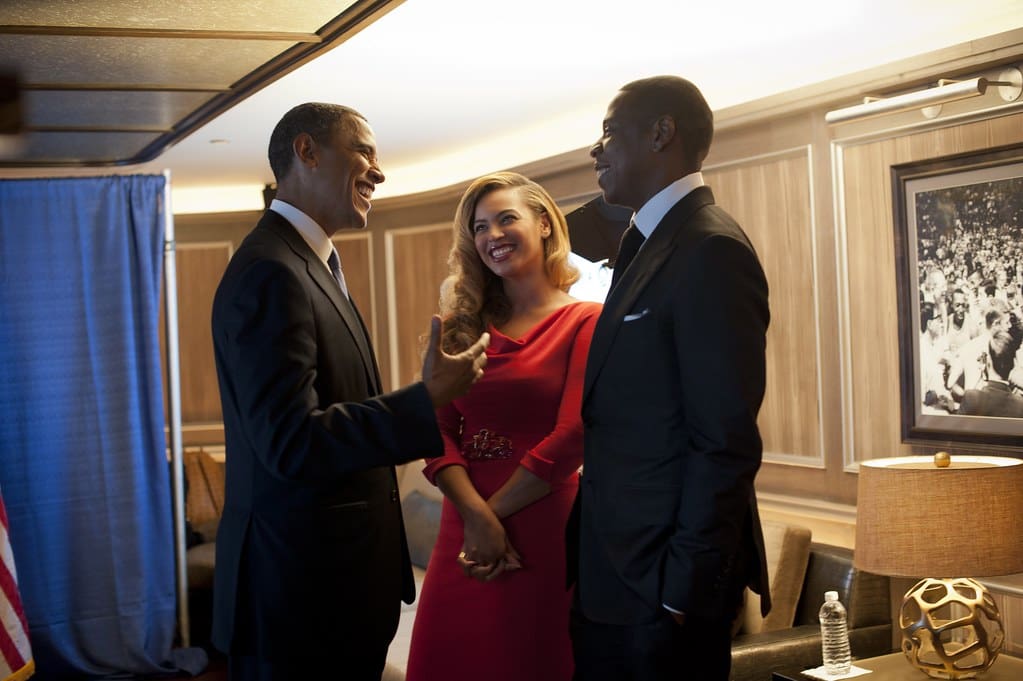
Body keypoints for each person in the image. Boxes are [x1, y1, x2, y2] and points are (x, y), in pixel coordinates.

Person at [210, 102, 489, 681]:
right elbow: (291, 442)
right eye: (364, 151)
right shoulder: (272, 270)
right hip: (300, 602)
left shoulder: (311, 264)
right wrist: (424, 399)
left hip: (335, 595)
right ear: (306, 152)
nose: (379, 172)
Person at [569, 76, 771, 681]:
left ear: (661, 133)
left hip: (661, 586)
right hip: (614, 574)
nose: (594, 151)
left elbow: (724, 438)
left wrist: (684, 591)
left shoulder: (711, 249)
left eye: (608, 131)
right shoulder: (648, 244)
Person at [405, 171, 602, 681]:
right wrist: (475, 517)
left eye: (506, 218)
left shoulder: (587, 321)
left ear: (543, 223)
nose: (493, 235)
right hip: (462, 523)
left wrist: (490, 517)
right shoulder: (457, 326)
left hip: (540, 521)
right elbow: (436, 430)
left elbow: (574, 434)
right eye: (480, 226)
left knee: (527, 661)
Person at [958, 330, 1023, 417]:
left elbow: (957, 429)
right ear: (1012, 365)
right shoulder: (1020, 406)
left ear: (988, 363)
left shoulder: (972, 399)